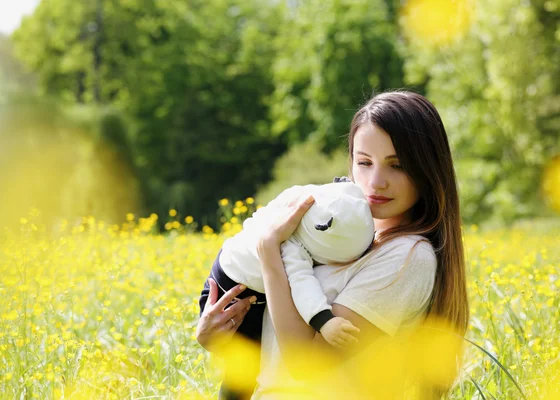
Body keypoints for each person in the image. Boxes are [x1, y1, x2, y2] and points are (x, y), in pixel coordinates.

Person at [196, 91, 469, 399]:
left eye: (398, 166)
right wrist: (217, 339)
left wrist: (270, 250)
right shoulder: (340, 239)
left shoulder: (407, 257)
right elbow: (275, 342)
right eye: (364, 162)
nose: (376, 181)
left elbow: (306, 364)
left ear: (428, 170)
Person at [198, 181, 374, 400]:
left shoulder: (303, 199)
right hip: (235, 290)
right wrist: (325, 322)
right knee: (243, 371)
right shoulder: (291, 247)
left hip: (229, 266)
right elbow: (303, 288)